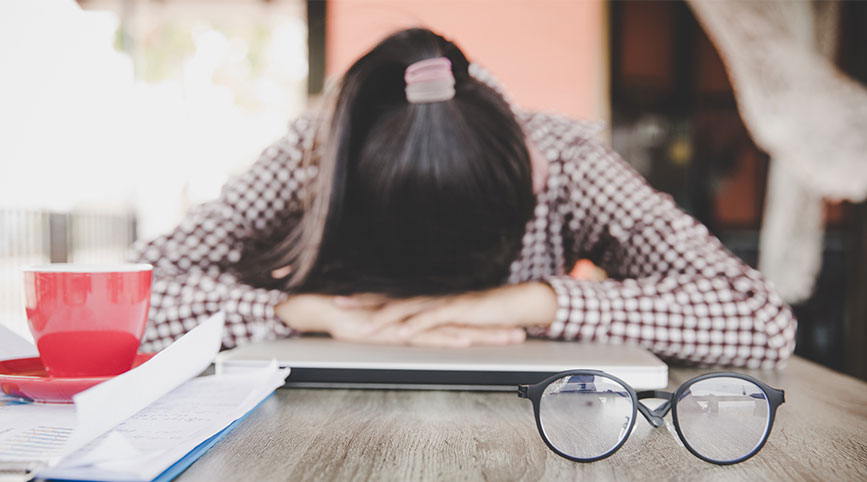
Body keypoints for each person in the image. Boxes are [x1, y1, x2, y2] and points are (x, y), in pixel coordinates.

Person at [130, 28, 796, 369]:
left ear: (530, 180)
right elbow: (131, 296)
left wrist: (530, 301)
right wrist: (303, 312)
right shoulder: (317, 152)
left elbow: (759, 318)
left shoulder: (563, 159)